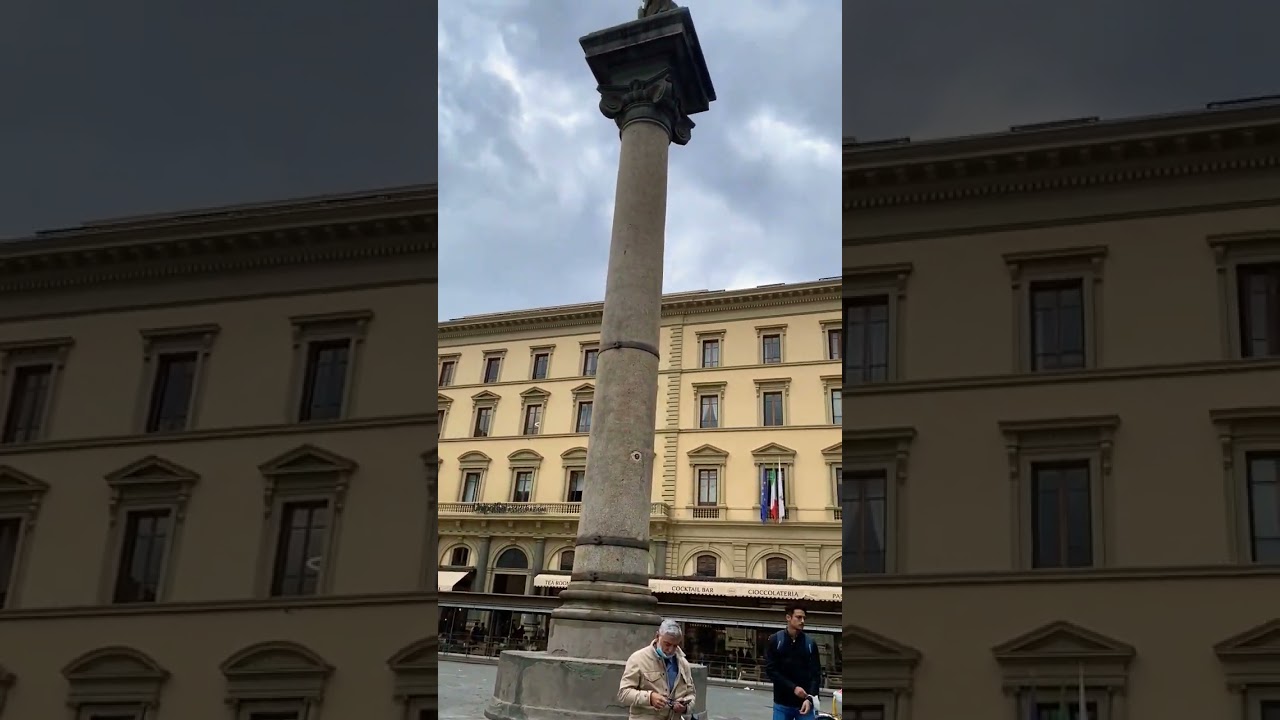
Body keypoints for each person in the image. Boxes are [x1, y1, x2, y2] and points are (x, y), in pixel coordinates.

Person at [618, 618, 697, 719]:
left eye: (675, 646)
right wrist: (649, 698)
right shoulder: (638, 659)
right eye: (667, 644)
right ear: (657, 636)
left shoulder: (683, 664)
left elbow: (691, 694)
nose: (671, 650)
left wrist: (685, 707)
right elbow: (623, 693)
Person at [764, 603, 822, 720]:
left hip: (805, 704)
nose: (802, 621)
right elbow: (771, 670)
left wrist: (810, 699)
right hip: (782, 704)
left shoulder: (810, 644)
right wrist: (793, 687)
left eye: (804, 618)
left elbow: (816, 674)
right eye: (799, 617)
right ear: (788, 618)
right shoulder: (776, 640)